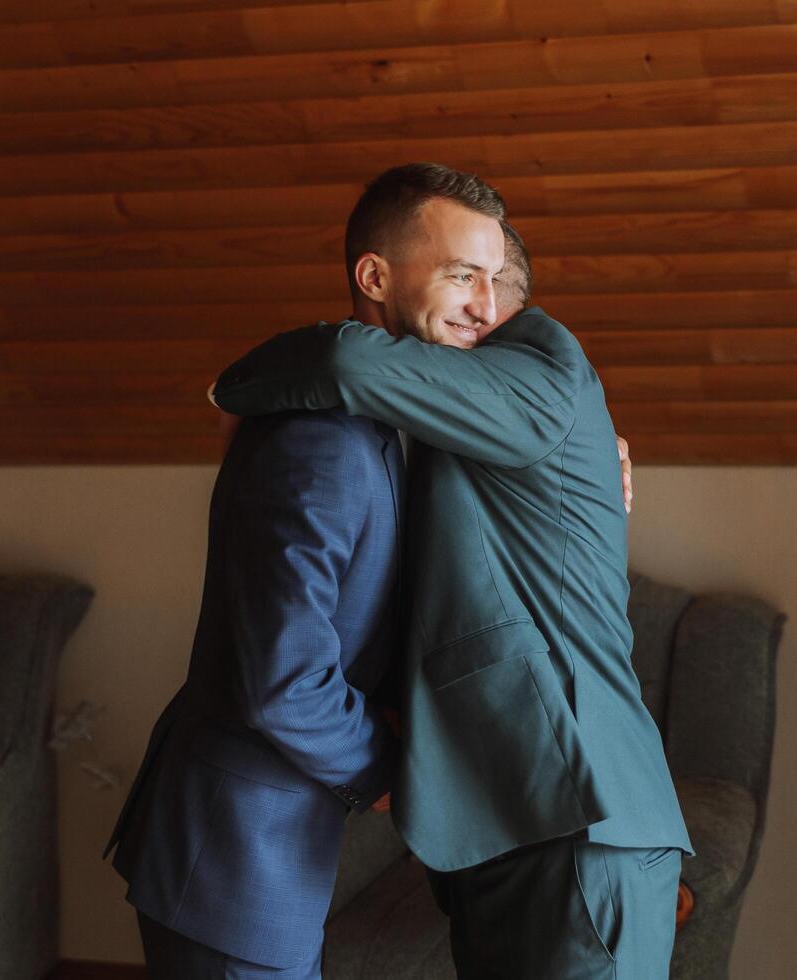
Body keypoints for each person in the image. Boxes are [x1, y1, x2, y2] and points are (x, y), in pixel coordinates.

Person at [213, 163, 693, 979]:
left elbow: (351, 364)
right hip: (507, 829)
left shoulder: (545, 362)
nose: (482, 306)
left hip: (580, 821)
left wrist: (230, 389)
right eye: (462, 278)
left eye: (493, 283)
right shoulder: (435, 432)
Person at [102, 379, 404, 973]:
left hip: (271, 848)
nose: (483, 305)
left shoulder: (396, 433)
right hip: (235, 852)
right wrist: (388, 771)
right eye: (463, 277)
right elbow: (286, 684)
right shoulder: (322, 440)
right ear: (375, 278)